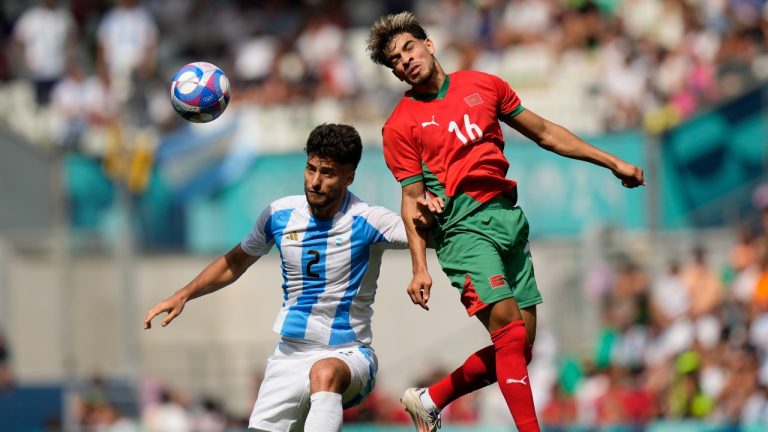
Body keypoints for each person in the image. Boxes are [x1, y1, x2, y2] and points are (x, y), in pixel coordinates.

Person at [366, 11, 645, 432]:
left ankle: (430, 398)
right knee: (511, 336)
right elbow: (411, 199)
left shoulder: (484, 85)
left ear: (429, 45)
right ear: (396, 74)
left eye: (409, 48)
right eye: (396, 61)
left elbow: (545, 132)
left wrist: (612, 161)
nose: (405, 59)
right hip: (461, 230)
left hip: (508, 219)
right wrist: (419, 267)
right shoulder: (400, 126)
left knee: (519, 348)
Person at [144, 123, 409, 432]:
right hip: (289, 356)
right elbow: (235, 262)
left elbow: (426, 233)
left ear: (349, 177)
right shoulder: (279, 215)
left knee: (324, 372)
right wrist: (184, 294)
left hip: (348, 353)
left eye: (327, 173)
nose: (315, 181)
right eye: (311, 169)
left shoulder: (369, 220)